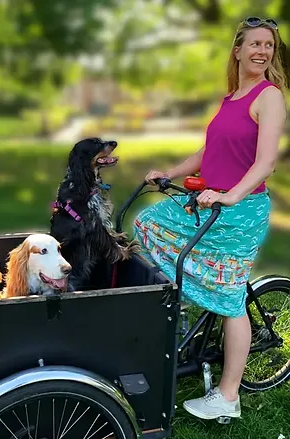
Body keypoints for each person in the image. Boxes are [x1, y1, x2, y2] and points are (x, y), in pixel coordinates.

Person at [133, 17, 287, 420]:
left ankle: (228, 396)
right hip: (207, 203)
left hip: (240, 211)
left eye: (268, 45)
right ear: (237, 50)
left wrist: (230, 195)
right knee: (146, 225)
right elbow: (207, 153)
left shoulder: (270, 97)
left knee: (229, 296)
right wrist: (169, 172)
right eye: (254, 43)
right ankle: (187, 310)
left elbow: (265, 162)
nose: (262, 51)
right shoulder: (232, 97)